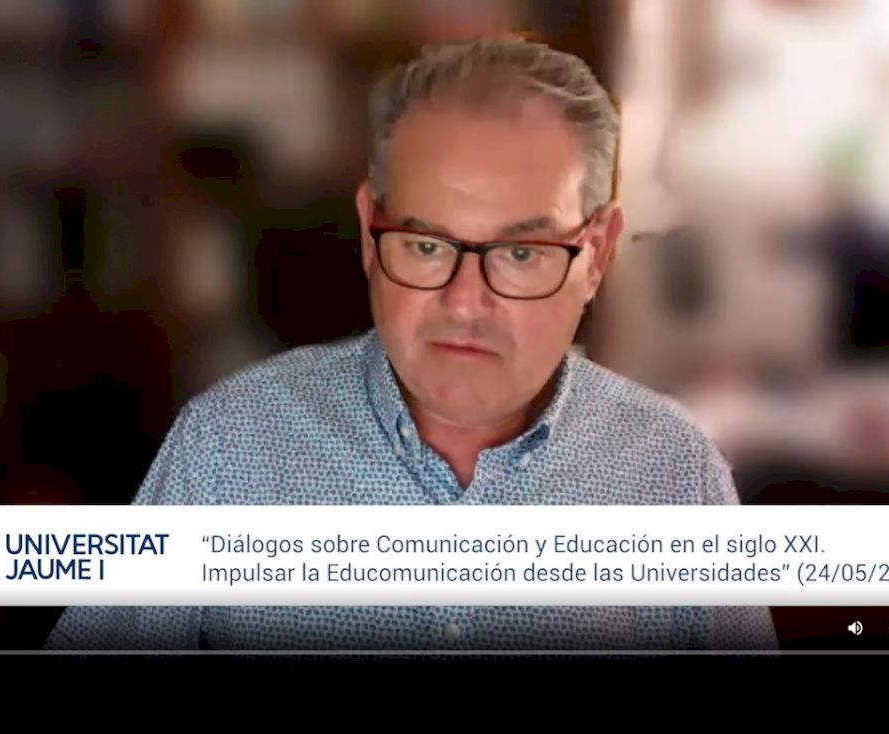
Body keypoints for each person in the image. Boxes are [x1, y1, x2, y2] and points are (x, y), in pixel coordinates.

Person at [47, 37, 778, 651]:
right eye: (426, 245)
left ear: (598, 253)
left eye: (521, 254)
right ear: (370, 234)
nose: (464, 303)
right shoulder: (227, 449)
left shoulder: (673, 477)